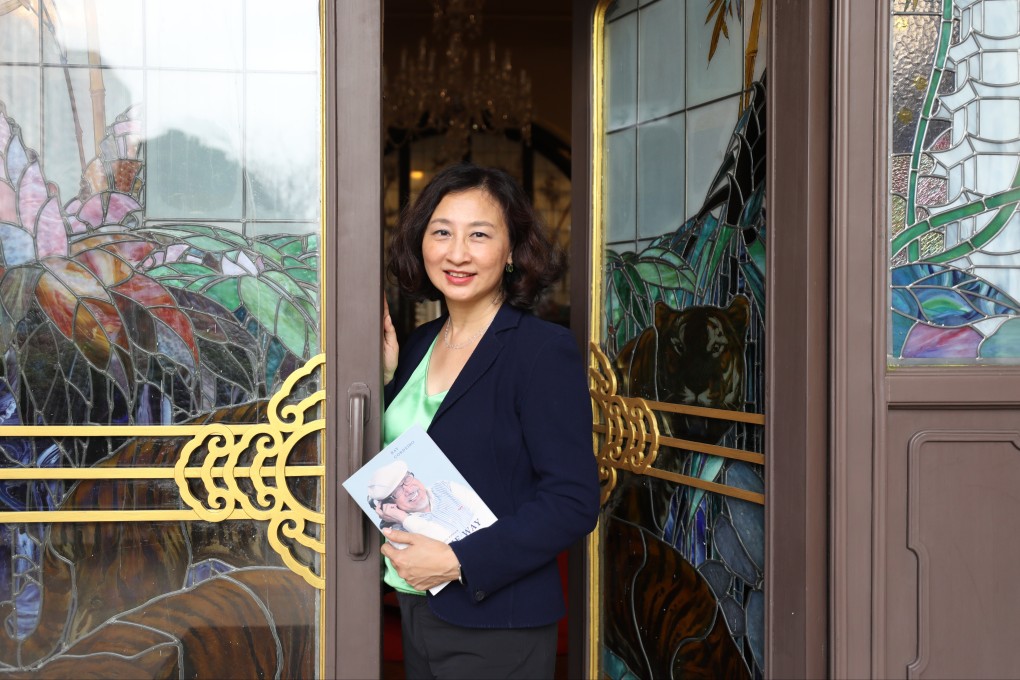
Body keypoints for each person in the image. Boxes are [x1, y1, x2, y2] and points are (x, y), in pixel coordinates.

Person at [380, 162, 600, 679]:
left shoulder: (541, 352)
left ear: (512, 251)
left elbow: (572, 501)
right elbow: (409, 459)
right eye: (441, 233)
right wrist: (388, 382)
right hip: (417, 605)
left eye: (479, 235)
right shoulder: (416, 346)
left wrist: (458, 561)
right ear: (421, 245)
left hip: (497, 620)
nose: (457, 253)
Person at [367, 459, 492, 543]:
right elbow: (441, 550)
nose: (409, 490)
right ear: (390, 504)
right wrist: (404, 518)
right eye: (397, 492)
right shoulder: (399, 533)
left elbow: (487, 513)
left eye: (406, 479)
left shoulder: (444, 486)